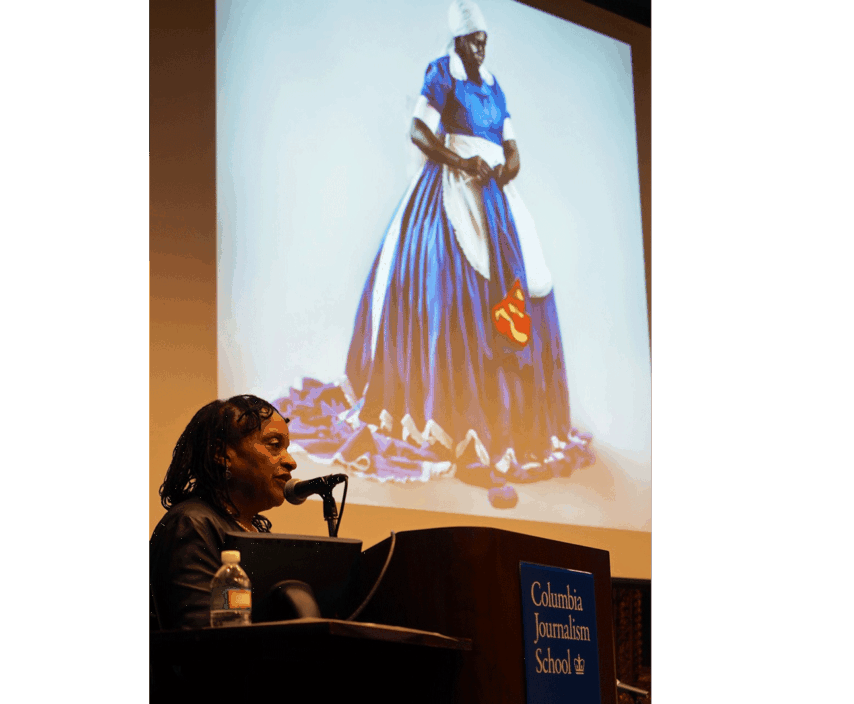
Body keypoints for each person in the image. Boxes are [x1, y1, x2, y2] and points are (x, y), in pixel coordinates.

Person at [277, 0, 594, 506]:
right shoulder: (440, 75)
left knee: (524, 282)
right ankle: (449, 410)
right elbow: (419, 131)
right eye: (473, 40)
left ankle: (508, 417)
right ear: (458, 42)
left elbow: (513, 148)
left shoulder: (493, 87)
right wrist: (460, 160)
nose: (480, 47)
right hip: (449, 191)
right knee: (446, 288)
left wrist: (503, 172)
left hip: (496, 203)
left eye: (484, 40)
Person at [150, 395, 297, 630]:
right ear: (221, 452)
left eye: (287, 448)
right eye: (274, 444)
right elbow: (201, 639)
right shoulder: (192, 524)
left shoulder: (252, 530)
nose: (291, 461)